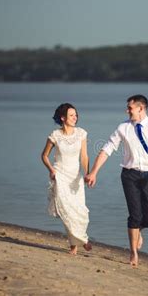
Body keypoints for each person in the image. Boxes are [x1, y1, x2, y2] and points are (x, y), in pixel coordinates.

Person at [85, 94, 148, 267]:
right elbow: (107, 150)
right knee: (135, 215)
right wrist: (94, 172)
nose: (127, 111)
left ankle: (138, 231)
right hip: (129, 176)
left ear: (141, 108)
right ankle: (133, 252)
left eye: (130, 108)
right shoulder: (122, 128)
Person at [41, 103, 92, 255]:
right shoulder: (55, 135)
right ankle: (77, 245)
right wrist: (51, 170)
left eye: (76, 115)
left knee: (79, 210)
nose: (75, 117)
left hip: (76, 177)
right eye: (71, 115)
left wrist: (87, 173)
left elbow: (84, 156)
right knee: (66, 211)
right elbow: (44, 156)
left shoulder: (81, 133)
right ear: (63, 118)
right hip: (60, 176)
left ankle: (80, 239)